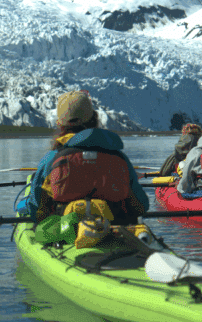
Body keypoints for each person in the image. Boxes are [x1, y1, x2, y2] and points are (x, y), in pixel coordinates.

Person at [20, 90, 149, 225]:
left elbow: (36, 210)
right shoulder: (119, 157)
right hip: (114, 229)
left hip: (66, 234)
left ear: (60, 124)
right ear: (94, 118)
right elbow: (141, 206)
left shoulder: (51, 159)